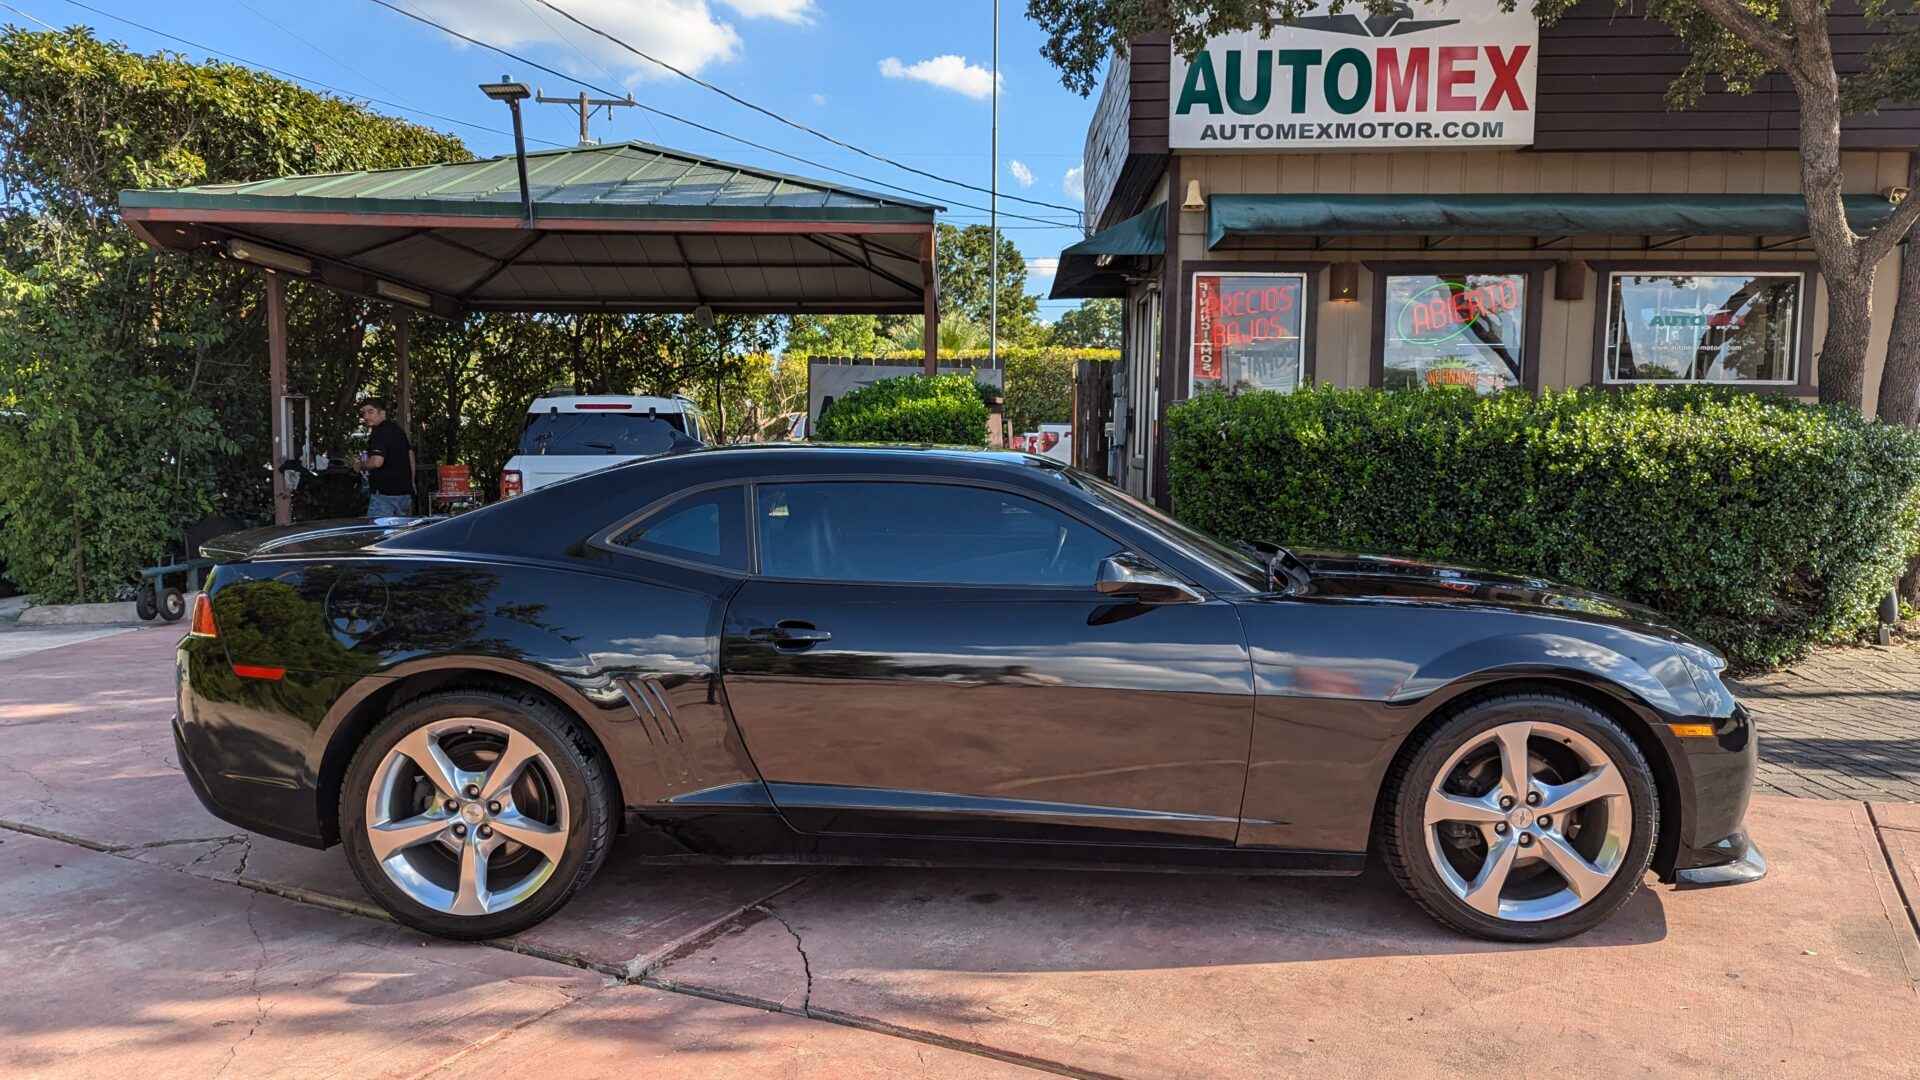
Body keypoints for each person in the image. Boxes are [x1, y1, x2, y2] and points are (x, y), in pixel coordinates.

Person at [356, 397, 415, 519]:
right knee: (401, 535)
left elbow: (377, 462)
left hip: (384, 495)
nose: (366, 416)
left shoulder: (379, 432)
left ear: (382, 413)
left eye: (370, 411)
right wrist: (411, 482)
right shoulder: (398, 430)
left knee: (379, 535)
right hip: (404, 494)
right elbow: (410, 456)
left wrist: (360, 465)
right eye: (364, 413)